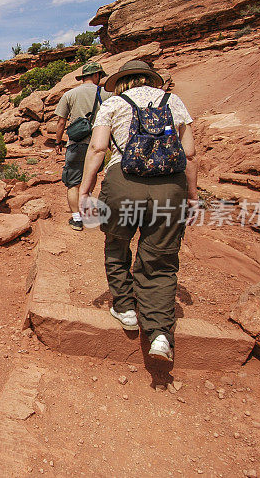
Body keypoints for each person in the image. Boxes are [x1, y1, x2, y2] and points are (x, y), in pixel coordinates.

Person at [77, 60, 198, 363]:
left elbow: (97, 149)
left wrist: (84, 190)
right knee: (160, 258)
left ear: (121, 81)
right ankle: (159, 334)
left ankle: (126, 307)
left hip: (122, 183)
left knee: (117, 244)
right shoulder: (174, 101)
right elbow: (190, 153)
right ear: (150, 79)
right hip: (170, 187)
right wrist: (192, 196)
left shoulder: (113, 104)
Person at [54, 62, 111, 231]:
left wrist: (58, 142)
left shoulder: (70, 94)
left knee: (73, 183)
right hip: (98, 145)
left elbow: (61, 121)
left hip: (76, 145)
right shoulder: (106, 94)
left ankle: (77, 219)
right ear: (96, 75)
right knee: (90, 177)